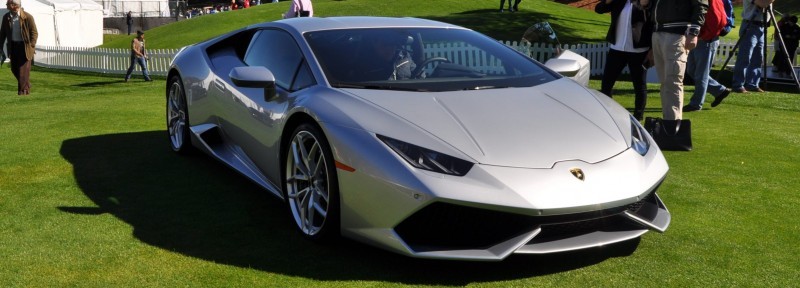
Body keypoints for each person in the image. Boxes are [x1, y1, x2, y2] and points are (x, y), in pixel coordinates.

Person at [648, 0, 706, 121]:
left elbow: (701, 4)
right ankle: (668, 123)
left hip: (676, 34)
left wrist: (694, 32)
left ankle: (673, 124)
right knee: (665, 83)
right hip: (658, 32)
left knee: (672, 82)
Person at [595, 0, 652, 120]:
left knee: (639, 85)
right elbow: (598, 9)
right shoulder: (619, 2)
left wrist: (645, 6)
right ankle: (608, 113)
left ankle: (638, 116)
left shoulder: (645, 3)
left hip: (638, 51)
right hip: (617, 49)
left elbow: (652, 22)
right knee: (606, 83)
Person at [683, 0, 734, 112]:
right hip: (699, 38)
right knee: (692, 70)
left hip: (706, 40)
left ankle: (696, 104)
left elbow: (717, 21)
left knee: (701, 74)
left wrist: (704, 36)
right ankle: (720, 91)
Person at [731, 0, 774, 93]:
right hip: (751, 25)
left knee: (758, 58)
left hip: (761, 26)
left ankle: (752, 84)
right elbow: (762, 3)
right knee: (745, 57)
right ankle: (738, 85)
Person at [0, 0, 38, 95]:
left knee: (22, 70)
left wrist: (32, 45)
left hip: (24, 47)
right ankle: (27, 85)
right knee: (14, 68)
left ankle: (22, 91)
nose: (6, 5)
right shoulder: (6, 17)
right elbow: (2, 33)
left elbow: (34, 33)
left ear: (15, 5)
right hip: (13, 46)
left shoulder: (27, 17)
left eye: (8, 4)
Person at [349, 35, 418, 81]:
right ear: (374, 43)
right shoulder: (363, 65)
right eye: (386, 44)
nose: (390, 49)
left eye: (394, 44)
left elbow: (419, 76)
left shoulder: (404, 57)